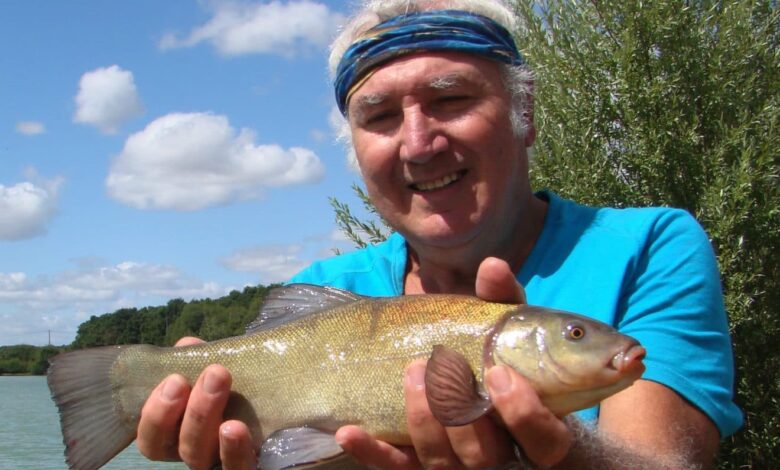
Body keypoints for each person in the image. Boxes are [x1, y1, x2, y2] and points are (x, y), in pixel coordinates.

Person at [136, 0, 743, 468]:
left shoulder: (650, 246)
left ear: (523, 115)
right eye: (379, 116)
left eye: (450, 98)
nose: (420, 144)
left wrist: (553, 452)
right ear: (355, 150)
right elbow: (291, 448)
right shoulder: (322, 288)